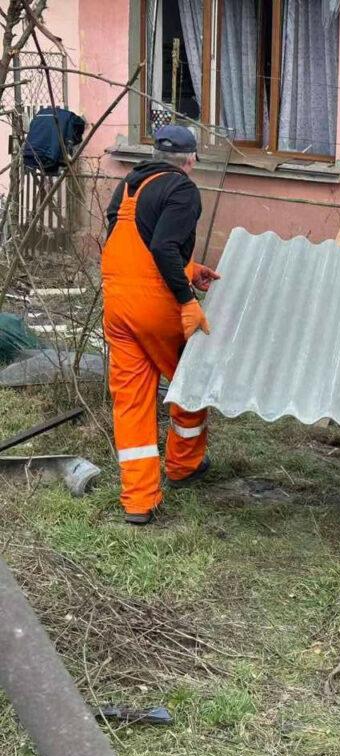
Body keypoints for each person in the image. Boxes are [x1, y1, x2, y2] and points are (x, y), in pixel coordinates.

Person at [101, 125, 220, 525]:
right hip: (156, 305)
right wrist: (187, 300)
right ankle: (183, 466)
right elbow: (163, 246)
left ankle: (139, 501)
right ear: (190, 159)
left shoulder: (129, 186)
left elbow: (134, 242)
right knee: (190, 381)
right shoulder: (183, 190)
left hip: (117, 304)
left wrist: (189, 269)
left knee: (132, 399)